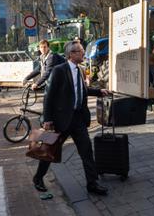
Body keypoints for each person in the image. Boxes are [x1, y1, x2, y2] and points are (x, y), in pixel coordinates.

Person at [33, 40, 109, 196]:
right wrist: (47, 119)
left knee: (86, 151)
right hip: (61, 120)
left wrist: (99, 91)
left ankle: (92, 184)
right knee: (50, 150)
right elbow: (49, 96)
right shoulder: (59, 70)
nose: (83, 53)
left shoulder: (80, 70)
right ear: (71, 54)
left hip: (78, 119)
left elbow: (82, 89)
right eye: (80, 51)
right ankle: (38, 178)